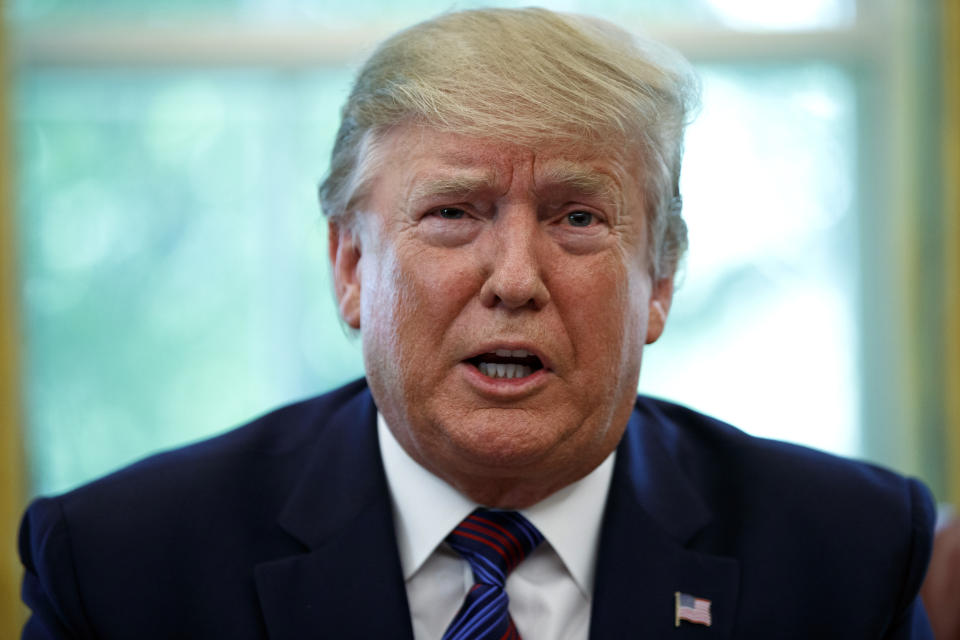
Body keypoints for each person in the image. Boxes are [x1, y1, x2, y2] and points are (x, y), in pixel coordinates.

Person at [18, 8, 935, 639]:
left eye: (578, 217)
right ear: (350, 267)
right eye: (454, 212)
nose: (515, 280)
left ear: (658, 281)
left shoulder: (846, 554)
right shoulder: (125, 566)